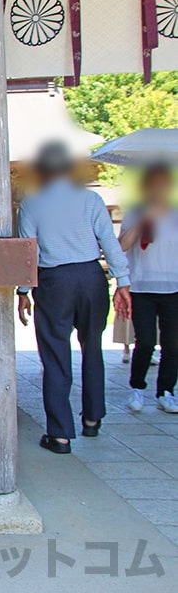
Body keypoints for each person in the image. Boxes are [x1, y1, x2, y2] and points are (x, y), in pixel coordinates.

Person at [17, 141, 132, 454]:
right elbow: (109, 242)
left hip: (54, 281)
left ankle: (60, 435)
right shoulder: (91, 200)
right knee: (92, 346)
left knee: (55, 355)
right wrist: (123, 281)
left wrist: (24, 291)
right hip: (91, 277)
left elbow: (29, 251)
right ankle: (93, 418)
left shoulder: (32, 203)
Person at [120, 166, 178, 413]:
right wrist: (145, 219)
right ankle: (137, 387)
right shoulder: (136, 212)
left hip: (173, 287)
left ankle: (166, 391)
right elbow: (121, 245)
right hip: (142, 286)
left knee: (173, 344)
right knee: (145, 342)